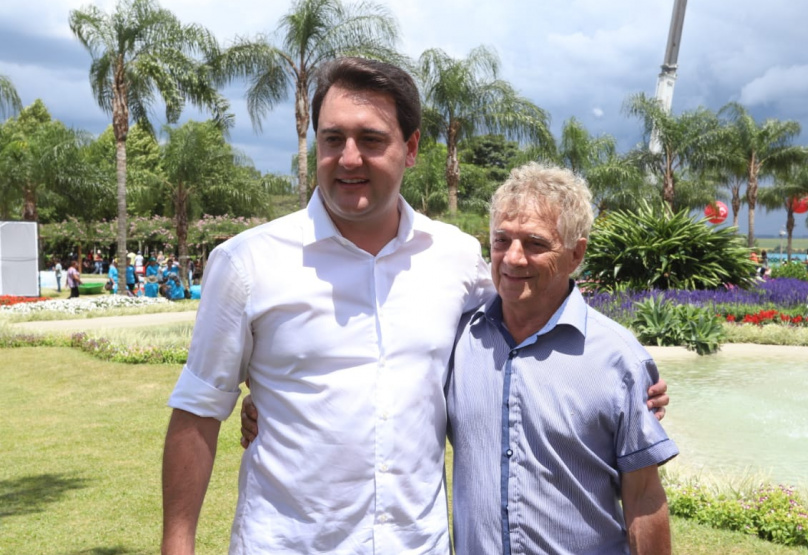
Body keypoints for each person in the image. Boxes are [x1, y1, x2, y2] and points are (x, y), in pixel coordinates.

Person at [162, 57, 669, 555]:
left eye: (372, 140)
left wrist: (617, 378)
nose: (349, 158)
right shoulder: (248, 262)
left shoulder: (455, 257)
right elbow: (198, 411)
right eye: (333, 138)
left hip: (415, 544)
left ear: (411, 148)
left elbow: (525, 325)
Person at [241, 163, 676, 554]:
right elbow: (388, 379)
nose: (513, 258)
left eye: (536, 244)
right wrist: (276, 404)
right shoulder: (462, 340)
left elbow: (642, 498)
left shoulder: (619, 361)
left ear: (576, 254)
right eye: (501, 241)